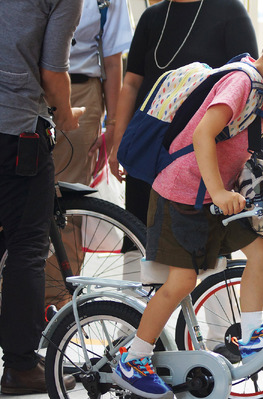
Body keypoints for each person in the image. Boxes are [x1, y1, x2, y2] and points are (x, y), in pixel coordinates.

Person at [111, 12, 263, 398]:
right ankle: (133, 358)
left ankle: (252, 333)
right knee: (182, 280)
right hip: (183, 194)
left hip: (220, 197)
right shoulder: (242, 82)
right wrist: (218, 192)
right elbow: (204, 133)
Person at [108, 0, 259, 233]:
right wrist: (119, 143)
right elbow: (131, 83)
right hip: (148, 140)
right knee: (140, 234)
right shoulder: (151, 16)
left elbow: (250, 81)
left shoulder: (230, 10)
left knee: (198, 246)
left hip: (199, 151)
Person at [0, 0, 85, 394]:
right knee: (27, 247)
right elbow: (53, 71)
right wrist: (65, 112)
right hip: (15, 127)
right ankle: (20, 367)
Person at [46, 0, 133, 306]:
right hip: (23, 86)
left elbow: (112, 61)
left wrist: (112, 125)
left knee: (64, 204)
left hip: (81, 88)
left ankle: (55, 306)